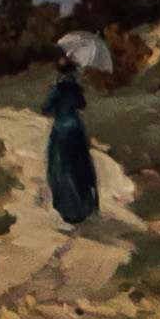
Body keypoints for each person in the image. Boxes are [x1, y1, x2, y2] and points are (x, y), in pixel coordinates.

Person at [43, 65, 102, 227]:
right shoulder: (76, 88)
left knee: (61, 168)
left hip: (61, 132)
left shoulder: (57, 89)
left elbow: (46, 109)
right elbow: (82, 104)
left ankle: (67, 209)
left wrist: (57, 104)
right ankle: (85, 207)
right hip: (77, 130)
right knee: (80, 167)